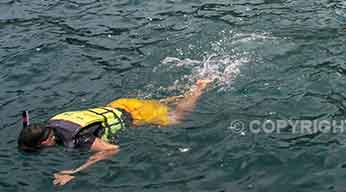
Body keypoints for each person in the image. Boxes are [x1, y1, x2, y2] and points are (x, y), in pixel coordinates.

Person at [17, 79, 212, 186]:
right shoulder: (53, 122)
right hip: (119, 105)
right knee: (159, 106)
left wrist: (73, 172)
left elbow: (111, 149)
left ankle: (199, 88)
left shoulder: (77, 138)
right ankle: (186, 91)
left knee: (175, 119)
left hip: (135, 115)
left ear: (43, 144)